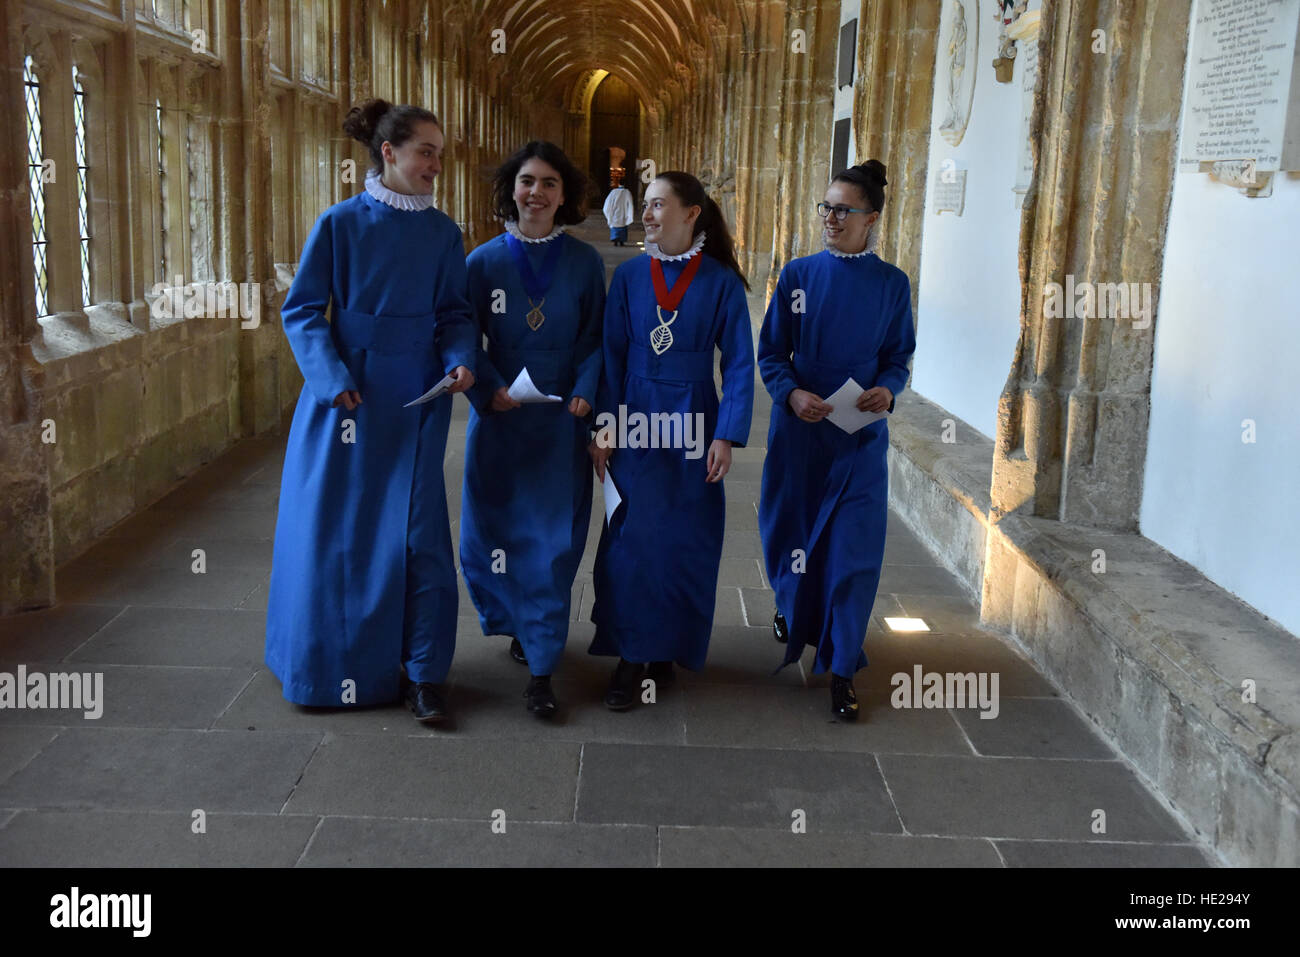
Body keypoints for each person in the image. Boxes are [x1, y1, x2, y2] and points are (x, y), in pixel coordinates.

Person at [265, 98, 477, 725]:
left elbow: (455, 314)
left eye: (440, 153)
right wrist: (331, 378)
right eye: (426, 152)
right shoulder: (339, 223)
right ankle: (327, 667)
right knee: (340, 535)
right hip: (347, 401)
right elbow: (302, 310)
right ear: (389, 153)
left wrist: (461, 359)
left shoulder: (443, 232)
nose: (437, 164)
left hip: (417, 400)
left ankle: (422, 673)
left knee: (417, 539)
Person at [588, 171, 755, 710]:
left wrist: (727, 435)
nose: (648, 215)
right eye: (647, 206)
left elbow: (739, 364)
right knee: (633, 538)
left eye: (659, 205)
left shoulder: (723, 282)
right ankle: (630, 655)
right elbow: (611, 353)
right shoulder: (632, 276)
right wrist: (606, 424)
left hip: (693, 422)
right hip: (635, 417)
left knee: (685, 539)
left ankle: (667, 648)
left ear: (692, 213)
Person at [757, 160, 916, 720]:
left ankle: (843, 668)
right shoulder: (797, 276)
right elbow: (772, 352)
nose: (831, 217)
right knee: (789, 531)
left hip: (857, 435)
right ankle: (789, 604)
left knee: (853, 551)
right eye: (826, 207)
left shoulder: (892, 285)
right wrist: (791, 393)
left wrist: (887, 390)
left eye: (843, 209)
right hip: (801, 430)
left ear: (871, 218)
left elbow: (898, 357)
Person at [459, 141, 606, 718]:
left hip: (560, 425)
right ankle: (520, 622)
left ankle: (543, 670)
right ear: (510, 189)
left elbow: (596, 339)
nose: (536, 193)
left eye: (549, 183)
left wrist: (587, 393)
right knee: (492, 541)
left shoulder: (585, 263)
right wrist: (487, 385)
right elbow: (464, 337)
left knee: (551, 546)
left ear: (564, 195)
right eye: (527, 181)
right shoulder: (482, 263)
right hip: (501, 420)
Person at [602, 179, 635, 246]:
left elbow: (608, 203)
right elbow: (630, 204)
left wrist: (609, 212)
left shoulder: (613, 192)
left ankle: (615, 241)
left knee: (615, 226)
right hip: (623, 213)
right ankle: (621, 242)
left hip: (615, 213)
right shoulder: (627, 192)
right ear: (625, 184)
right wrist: (629, 213)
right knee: (622, 227)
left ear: (618, 184)